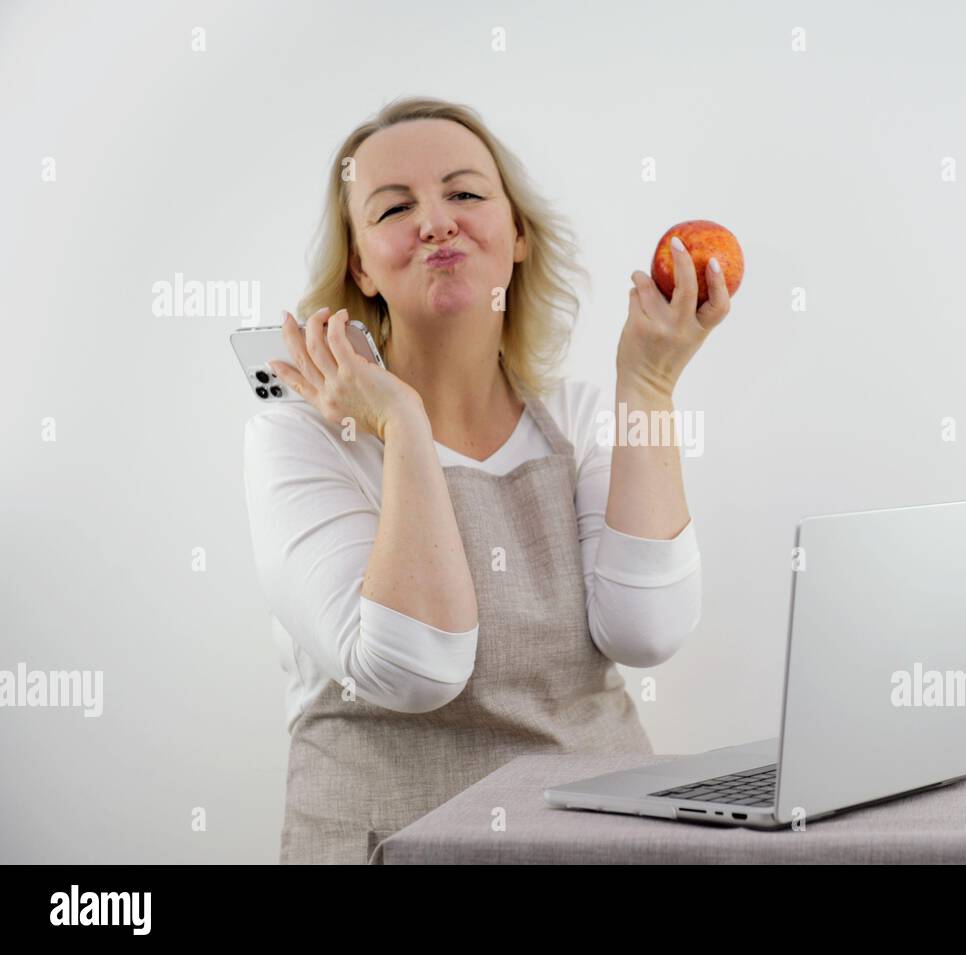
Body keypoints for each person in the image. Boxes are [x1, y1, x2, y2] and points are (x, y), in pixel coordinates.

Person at [241, 96, 731, 864]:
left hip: (597, 847)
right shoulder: (300, 438)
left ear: (520, 235)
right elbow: (415, 667)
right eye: (395, 207)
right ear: (360, 266)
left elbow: (649, 630)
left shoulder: (578, 418)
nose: (437, 221)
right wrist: (402, 426)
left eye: (465, 194)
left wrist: (649, 385)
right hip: (390, 847)